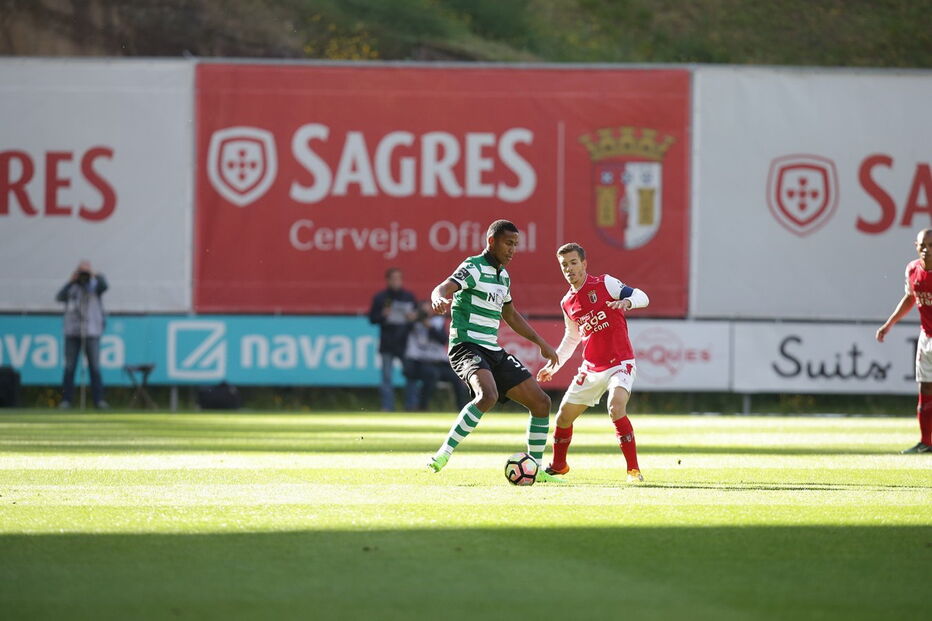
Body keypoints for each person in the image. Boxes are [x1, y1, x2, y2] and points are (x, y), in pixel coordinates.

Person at [427, 219, 564, 482]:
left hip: (492, 349)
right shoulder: (473, 267)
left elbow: (510, 315)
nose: (512, 249)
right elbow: (445, 286)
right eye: (508, 243)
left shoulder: (503, 276)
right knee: (487, 395)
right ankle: (443, 454)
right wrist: (437, 296)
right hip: (466, 346)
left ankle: (535, 468)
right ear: (492, 242)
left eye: (515, 244)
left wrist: (542, 344)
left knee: (541, 402)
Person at [536, 243, 650, 482]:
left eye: (573, 263)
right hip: (590, 368)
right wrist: (553, 367)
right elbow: (571, 337)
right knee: (563, 418)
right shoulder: (567, 302)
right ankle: (559, 466)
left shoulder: (605, 283)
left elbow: (643, 296)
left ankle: (633, 470)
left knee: (616, 406)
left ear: (584, 263)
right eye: (564, 265)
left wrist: (627, 302)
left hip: (620, 362)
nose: (569, 269)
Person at [876, 228, 932, 454]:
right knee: (925, 388)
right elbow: (911, 298)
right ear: (916, 246)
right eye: (923, 245)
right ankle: (926, 441)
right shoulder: (912, 270)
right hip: (926, 337)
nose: (927, 250)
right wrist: (889, 324)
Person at [56, 260, 109, 409]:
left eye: (86, 271)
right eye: (81, 271)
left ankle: (99, 401)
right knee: (69, 367)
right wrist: (71, 281)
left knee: (95, 367)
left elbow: (105, 286)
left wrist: (94, 274)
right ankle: (66, 400)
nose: (83, 274)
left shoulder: (95, 286)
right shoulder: (72, 287)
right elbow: (59, 297)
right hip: (72, 331)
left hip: (91, 331)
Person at [403, 300, 469, 411]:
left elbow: (443, 339)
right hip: (420, 362)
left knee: (456, 377)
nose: (425, 313)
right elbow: (401, 334)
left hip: (438, 362)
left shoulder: (437, 322)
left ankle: (462, 408)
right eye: (423, 311)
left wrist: (430, 327)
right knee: (431, 374)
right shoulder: (412, 323)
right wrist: (411, 320)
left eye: (428, 310)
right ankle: (422, 407)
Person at [369, 267, 417, 411]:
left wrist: (412, 317)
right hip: (388, 342)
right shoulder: (381, 298)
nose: (396, 281)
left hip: (405, 342)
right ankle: (387, 407)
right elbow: (372, 319)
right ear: (388, 280)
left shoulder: (408, 297)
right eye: (393, 278)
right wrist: (383, 314)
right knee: (386, 377)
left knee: (411, 374)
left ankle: (411, 406)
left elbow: (417, 319)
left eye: (399, 278)